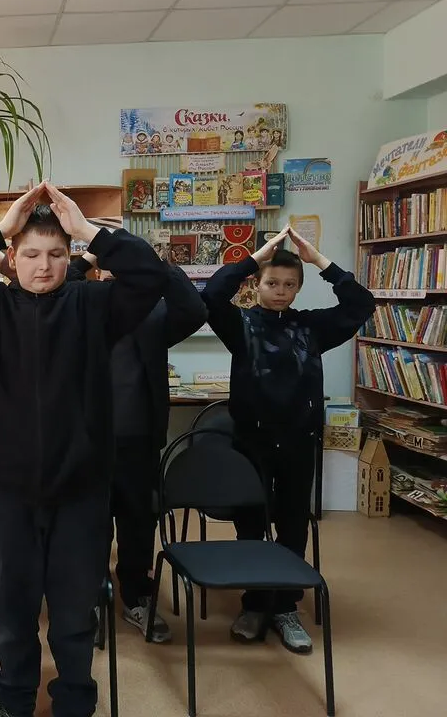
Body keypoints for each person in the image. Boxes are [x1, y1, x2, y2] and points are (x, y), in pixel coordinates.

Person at [0, 182, 167, 717]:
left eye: (56, 254)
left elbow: (151, 277)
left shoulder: (95, 305)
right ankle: (14, 700)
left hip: (80, 490)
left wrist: (89, 231)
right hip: (6, 490)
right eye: (31, 254)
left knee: (75, 612)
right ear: (12, 259)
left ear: (70, 256)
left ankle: (74, 701)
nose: (44, 266)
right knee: (14, 610)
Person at [202, 226, 375, 655]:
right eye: (272, 283)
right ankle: (254, 603)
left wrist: (319, 261)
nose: (280, 292)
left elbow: (361, 305)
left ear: (298, 287)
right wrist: (254, 258)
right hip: (252, 443)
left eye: (289, 285)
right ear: (257, 284)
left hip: (298, 441)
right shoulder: (241, 324)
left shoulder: (311, 326)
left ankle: (285, 607)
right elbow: (211, 296)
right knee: (251, 525)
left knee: (293, 525)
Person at [69, 253, 208, 643]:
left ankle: (136, 597)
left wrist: (157, 264)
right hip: (87, 441)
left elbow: (195, 309)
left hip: (139, 440)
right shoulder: (82, 305)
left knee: (138, 524)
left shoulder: (154, 310)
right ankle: (91, 598)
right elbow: (61, 282)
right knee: (89, 525)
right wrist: (93, 252)